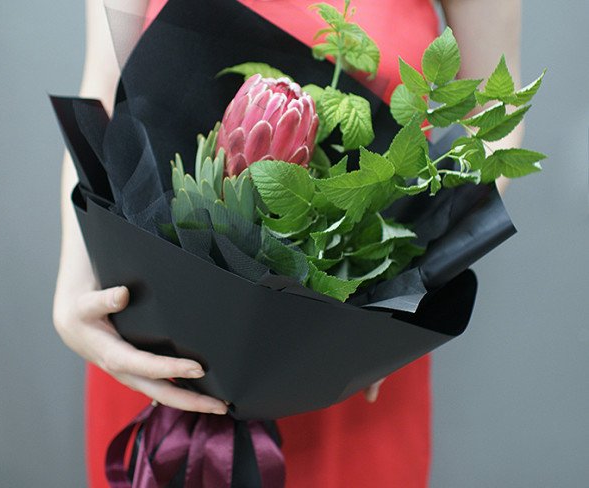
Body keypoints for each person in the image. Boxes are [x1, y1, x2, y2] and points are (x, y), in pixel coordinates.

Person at [53, 0, 523, 486]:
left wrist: (387, 303)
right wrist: (74, 287)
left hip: (338, 364)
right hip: (154, 352)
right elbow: (105, 90)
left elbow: (497, 115)